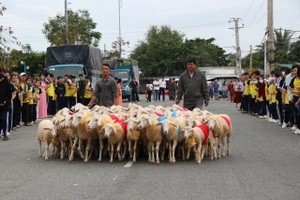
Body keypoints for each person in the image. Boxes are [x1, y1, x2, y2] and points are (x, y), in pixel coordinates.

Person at [0, 71, 12, 140]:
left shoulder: (7, 83)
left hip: (4, 105)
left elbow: (9, 95)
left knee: (3, 119)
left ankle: (5, 133)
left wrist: (5, 101)